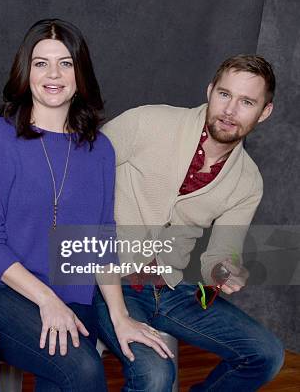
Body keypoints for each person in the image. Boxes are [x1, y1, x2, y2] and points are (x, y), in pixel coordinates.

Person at [0, 19, 174, 392]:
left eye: (65, 63)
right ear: (26, 72)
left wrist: (120, 317)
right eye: (41, 63)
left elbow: (100, 243)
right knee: (84, 370)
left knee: (83, 374)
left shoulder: (99, 149)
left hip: (74, 292)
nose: (53, 74)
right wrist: (47, 300)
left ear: (80, 73)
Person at [93, 54, 285, 391]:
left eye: (246, 102)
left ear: (264, 111)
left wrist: (225, 271)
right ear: (210, 91)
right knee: (155, 374)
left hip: (173, 288)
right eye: (224, 95)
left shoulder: (248, 181)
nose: (230, 110)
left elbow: (219, 256)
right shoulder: (147, 122)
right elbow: (80, 183)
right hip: (108, 278)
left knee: (266, 354)